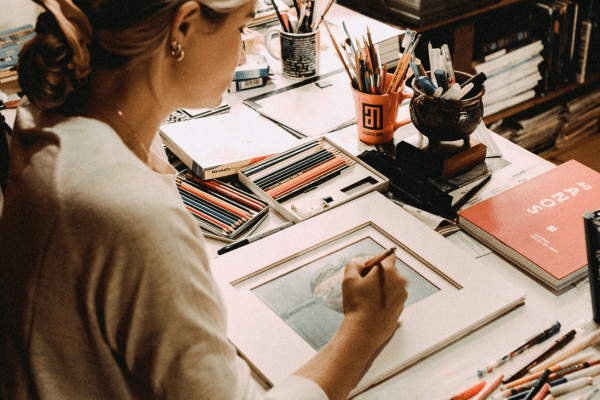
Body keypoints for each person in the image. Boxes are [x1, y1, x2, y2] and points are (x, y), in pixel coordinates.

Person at [0, 0, 408, 399]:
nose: (244, 47)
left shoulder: (47, 111)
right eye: (242, 27)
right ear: (182, 28)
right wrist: (363, 328)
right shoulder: (129, 210)